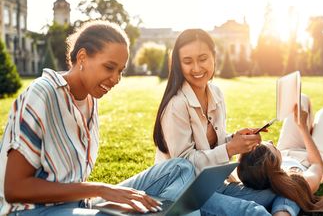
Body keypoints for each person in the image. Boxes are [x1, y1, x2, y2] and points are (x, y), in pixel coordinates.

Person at [0, 20, 196, 216]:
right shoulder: (43, 93)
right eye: (109, 67)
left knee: (181, 168)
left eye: (120, 71)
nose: (116, 79)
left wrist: (99, 197)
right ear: (82, 57)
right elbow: (14, 189)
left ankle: (158, 212)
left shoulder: (90, 100)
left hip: (81, 206)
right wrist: (101, 190)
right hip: (31, 212)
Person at [153, 28, 299, 216]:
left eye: (203, 59)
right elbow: (185, 165)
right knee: (252, 211)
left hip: (214, 185)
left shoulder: (216, 94)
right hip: (184, 192)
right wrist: (231, 149)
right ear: (179, 65)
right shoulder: (176, 105)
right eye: (188, 62)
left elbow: (214, 144)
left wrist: (236, 139)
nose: (196, 68)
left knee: (286, 188)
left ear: (214, 57)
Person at [237, 94, 323, 213]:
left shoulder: (254, 171)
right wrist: (302, 127)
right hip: (313, 159)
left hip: (287, 151)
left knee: (299, 101)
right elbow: (316, 165)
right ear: (273, 161)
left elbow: (238, 169)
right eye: (271, 145)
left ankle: (311, 130)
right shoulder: (297, 181)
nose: (272, 141)